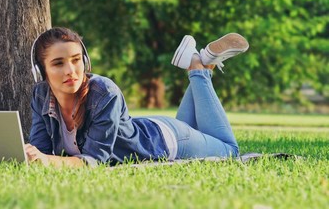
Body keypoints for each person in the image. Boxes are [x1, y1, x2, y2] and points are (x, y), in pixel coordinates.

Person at [24, 27, 249, 167]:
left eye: (75, 60)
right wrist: (33, 155)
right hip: (150, 127)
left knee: (230, 150)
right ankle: (203, 61)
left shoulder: (104, 93)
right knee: (206, 132)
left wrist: (47, 160)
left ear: (85, 61)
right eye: (58, 63)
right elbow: (41, 147)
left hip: (165, 143)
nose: (71, 70)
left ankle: (199, 66)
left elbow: (94, 160)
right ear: (40, 71)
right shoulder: (41, 95)